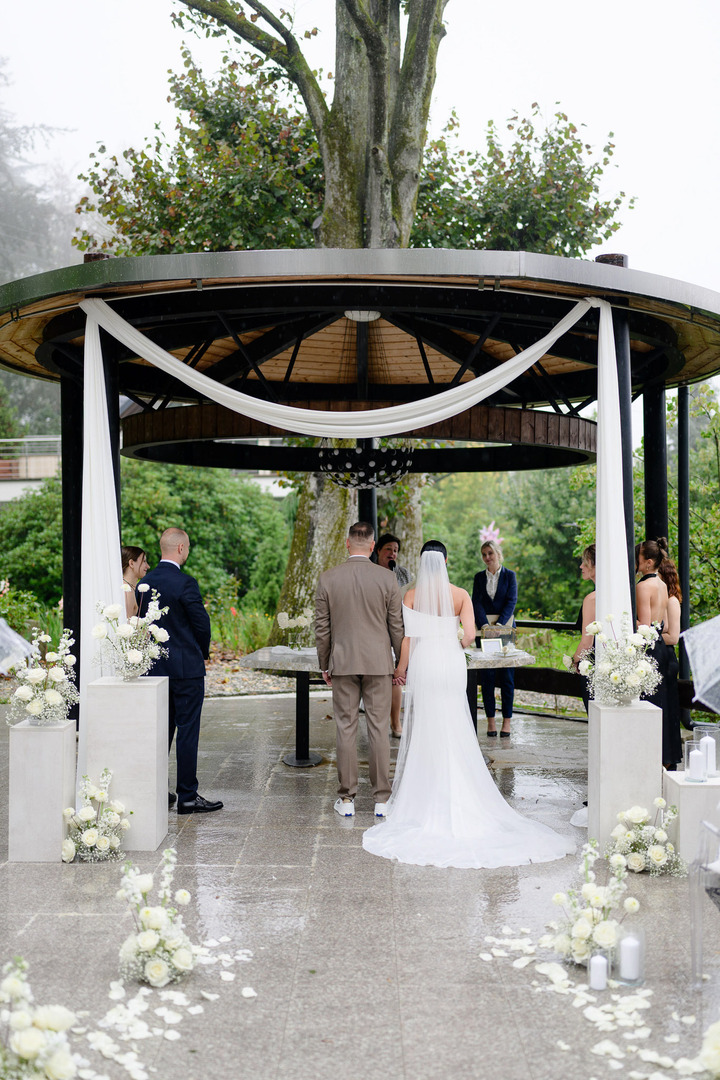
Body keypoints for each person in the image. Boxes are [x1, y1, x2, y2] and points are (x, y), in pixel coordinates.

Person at [362, 541, 574, 868]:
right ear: (446, 561)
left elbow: (408, 638)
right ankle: (461, 789)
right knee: (454, 721)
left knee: (427, 725)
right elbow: (469, 637)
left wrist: (401, 669)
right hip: (449, 662)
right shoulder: (460, 594)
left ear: (422, 563)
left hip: (425, 663)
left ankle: (426, 793)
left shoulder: (410, 596)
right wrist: (450, 638)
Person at [315, 521, 405, 818]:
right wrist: (400, 665)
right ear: (371, 545)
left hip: (342, 663)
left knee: (346, 727)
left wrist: (324, 663)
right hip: (379, 664)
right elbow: (397, 627)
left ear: (346, 543)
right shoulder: (387, 580)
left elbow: (322, 629)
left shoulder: (328, 579)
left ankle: (347, 799)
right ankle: (381, 799)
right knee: (380, 729)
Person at [142, 527, 223, 815]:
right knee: (187, 733)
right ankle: (187, 796)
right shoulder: (185, 583)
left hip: (153, 670)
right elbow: (201, 624)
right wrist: (200, 652)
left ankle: (155, 792)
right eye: (187, 547)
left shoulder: (144, 583)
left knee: (159, 732)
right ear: (180, 549)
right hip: (186, 670)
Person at [471, 540, 517, 737]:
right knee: (487, 676)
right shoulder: (479, 577)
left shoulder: (510, 576)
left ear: (498, 554)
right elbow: (476, 602)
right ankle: (491, 721)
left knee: (507, 677)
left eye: (490, 553)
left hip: (505, 630)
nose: (487, 557)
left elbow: (511, 600)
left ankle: (506, 722)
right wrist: (484, 626)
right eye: (484, 554)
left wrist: (499, 626)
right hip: (485, 631)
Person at [635, 537, 673, 762]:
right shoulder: (662, 585)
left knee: (647, 703)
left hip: (647, 650)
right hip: (661, 647)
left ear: (648, 562)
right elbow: (665, 625)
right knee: (662, 703)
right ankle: (664, 755)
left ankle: (647, 755)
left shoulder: (643, 586)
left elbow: (643, 625)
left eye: (638, 557)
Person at [375, 533, 412, 737]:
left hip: (398, 628)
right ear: (378, 550)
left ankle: (396, 723)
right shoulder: (369, 572)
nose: (392, 553)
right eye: (388, 549)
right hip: (375, 631)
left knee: (395, 677)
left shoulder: (404, 575)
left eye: (396, 550)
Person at [658, 551, 683, 769]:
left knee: (668, 708)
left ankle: (669, 758)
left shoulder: (671, 602)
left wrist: (650, 637)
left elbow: (673, 636)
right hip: (660, 657)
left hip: (667, 659)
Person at [571, 544, 596, 713]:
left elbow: (587, 641)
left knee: (595, 716)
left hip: (593, 663)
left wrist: (575, 660)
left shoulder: (592, 599)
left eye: (585, 562)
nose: (581, 566)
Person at [121, 545, 149, 618]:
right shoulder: (126, 591)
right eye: (144, 561)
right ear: (131, 563)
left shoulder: (130, 587)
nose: (148, 566)